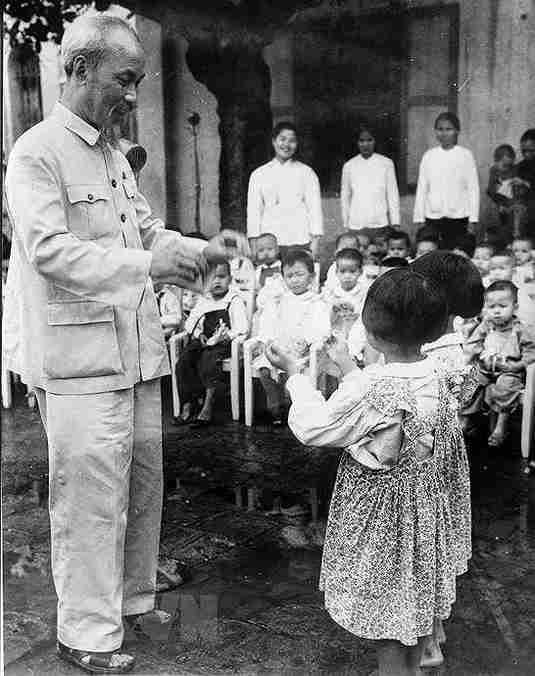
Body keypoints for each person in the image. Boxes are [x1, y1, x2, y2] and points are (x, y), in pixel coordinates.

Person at [1, 14, 249, 674]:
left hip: (135, 352)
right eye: (125, 79)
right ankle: (85, 632)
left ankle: (134, 602)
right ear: (80, 69)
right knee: (89, 500)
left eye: (138, 80)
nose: (133, 95)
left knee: (141, 486)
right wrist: (147, 265)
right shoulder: (36, 153)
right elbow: (50, 251)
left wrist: (202, 249)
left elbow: (146, 233)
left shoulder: (112, 155)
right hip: (79, 362)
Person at [266, 268, 470, 676]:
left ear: (371, 330)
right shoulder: (440, 372)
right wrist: (347, 365)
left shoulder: (372, 386)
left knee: (386, 608)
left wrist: (295, 376)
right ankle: (411, 669)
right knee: (412, 599)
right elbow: (393, 399)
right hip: (424, 509)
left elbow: (315, 427)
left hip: (382, 516)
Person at [254, 249, 330, 423]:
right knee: (265, 369)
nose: (294, 280)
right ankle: (275, 405)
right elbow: (268, 322)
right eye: (289, 276)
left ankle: (293, 407)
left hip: (302, 350)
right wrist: (266, 339)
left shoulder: (316, 302)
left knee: (292, 373)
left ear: (311, 277)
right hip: (280, 346)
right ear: (283, 279)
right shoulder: (280, 300)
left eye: (299, 275)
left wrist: (309, 341)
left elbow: (322, 328)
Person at [463, 280, 535, 446]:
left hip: (509, 370)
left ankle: (502, 424)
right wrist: (468, 360)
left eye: (502, 306)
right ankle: (466, 418)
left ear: (515, 307)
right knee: (470, 382)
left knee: (506, 385)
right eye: (491, 307)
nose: (496, 311)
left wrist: (517, 366)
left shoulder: (520, 329)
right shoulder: (486, 325)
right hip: (485, 367)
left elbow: (531, 352)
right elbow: (474, 343)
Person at [176, 259, 248, 425]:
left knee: (208, 361)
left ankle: (208, 404)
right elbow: (190, 322)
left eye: (221, 277)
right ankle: (188, 403)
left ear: (230, 279)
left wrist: (227, 336)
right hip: (205, 340)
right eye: (211, 278)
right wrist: (199, 333)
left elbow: (242, 327)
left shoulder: (233, 300)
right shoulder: (204, 300)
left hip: (224, 343)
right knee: (185, 360)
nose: (216, 281)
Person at [247, 121, 323, 260]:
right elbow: (254, 211)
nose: (286, 145)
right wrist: (253, 242)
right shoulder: (259, 174)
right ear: (274, 141)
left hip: (299, 237)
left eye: (292, 141)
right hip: (269, 241)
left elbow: (314, 208)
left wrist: (315, 241)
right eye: (282, 139)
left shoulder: (306, 172)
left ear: (297, 144)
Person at [413, 112, 479, 251]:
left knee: (454, 252)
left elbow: (473, 188)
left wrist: (473, 219)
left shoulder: (465, 155)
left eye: (448, 129)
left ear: (457, 131)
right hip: (433, 216)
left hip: (459, 216)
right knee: (434, 252)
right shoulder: (429, 156)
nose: (444, 133)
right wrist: (419, 218)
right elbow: (422, 188)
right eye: (440, 129)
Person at [340, 125, 400, 239]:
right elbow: (345, 197)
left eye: (369, 140)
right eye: (361, 141)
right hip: (357, 224)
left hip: (379, 223)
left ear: (375, 141)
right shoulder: (349, 166)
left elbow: (392, 194)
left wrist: (395, 221)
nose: (365, 144)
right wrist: (346, 223)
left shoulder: (386, 163)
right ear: (357, 143)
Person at [253, 232, 285, 312]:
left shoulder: (283, 268)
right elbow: (255, 289)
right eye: (261, 250)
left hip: (280, 304)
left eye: (270, 249)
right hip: (262, 307)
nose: (266, 253)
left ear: (277, 250)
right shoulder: (257, 271)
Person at [515, 129, 535, 237]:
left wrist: (525, 184)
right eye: (523, 151)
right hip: (526, 221)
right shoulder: (520, 167)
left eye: (531, 150)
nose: (527, 154)